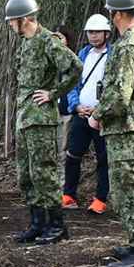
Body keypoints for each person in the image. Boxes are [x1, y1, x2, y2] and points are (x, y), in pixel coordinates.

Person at [4, 0, 83, 245]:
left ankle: (57, 225)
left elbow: (75, 66)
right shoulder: (25, 43)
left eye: (11, 21)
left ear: (23, 19)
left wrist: (54, 93)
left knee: (44, 173)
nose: (9, 25)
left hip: (41, 119)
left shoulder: (47, 41)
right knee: (26, 174)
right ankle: (37, 223)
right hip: (25, 118)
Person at [89, 0, 134, 267]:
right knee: (125, 184)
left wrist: (98, 114)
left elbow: (120, 94)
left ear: (116, 14)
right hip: (126, 124)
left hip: (125, 124)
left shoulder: (129, 44)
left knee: (129, 185)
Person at [62, 14, 112, 215]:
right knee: (73, 155)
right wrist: (76, 106)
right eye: (90, 32)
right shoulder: (83, 54)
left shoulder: (114, 55)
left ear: (106, 33)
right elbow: (73, 83)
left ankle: (100, 199)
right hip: (81, 114)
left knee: (103, 158)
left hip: (102, 116)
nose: (93, 36)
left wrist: (100, 110)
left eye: (97, 32)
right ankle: (68, 195)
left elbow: (116, 86)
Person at [54, 25, 78, 164]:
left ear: (67, 40)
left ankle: (62, 182)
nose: (57, 40)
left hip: (66, 110)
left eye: (60, 37)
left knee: (63, 148)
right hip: (50, 112)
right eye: (55, 37)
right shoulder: (49, 58)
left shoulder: (73, 59)